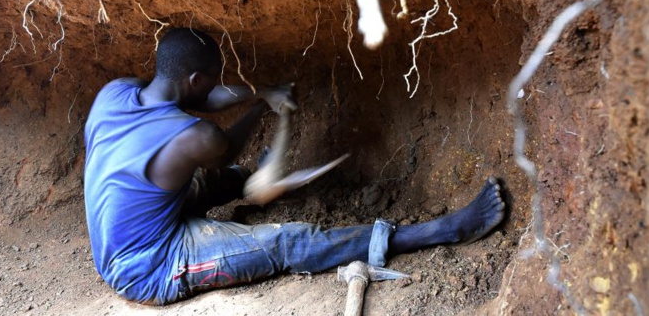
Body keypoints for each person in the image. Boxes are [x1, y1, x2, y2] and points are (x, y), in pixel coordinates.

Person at [83, 27, 506, 305]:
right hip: (149, 265)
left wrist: (263, 91)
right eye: (213, 78)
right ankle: (443, 231)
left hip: (127, 229)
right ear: (195, 80)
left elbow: (199, 100)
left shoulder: (116, 93)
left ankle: (260, 181)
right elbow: (221, 141)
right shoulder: (196, 137)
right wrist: (265, 109)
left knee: (218, 179)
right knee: (288, 243)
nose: (215, 86)